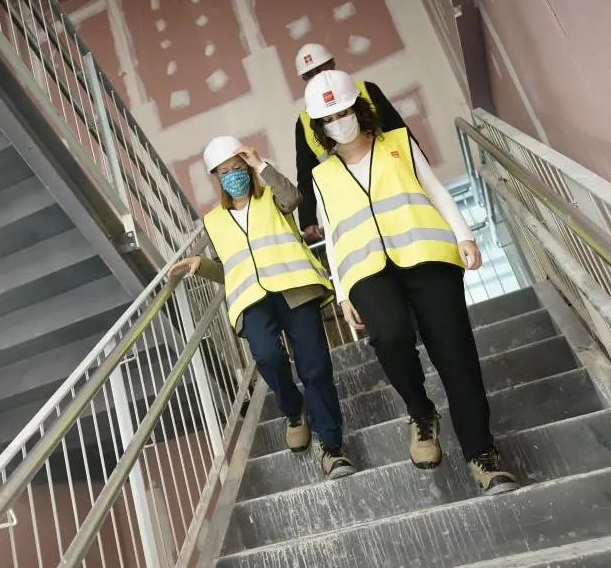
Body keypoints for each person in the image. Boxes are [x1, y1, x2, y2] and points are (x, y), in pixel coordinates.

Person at [303, 70, 520, 496]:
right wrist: (342, 291)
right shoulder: (321, 176)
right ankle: (422, 413)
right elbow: (331, 234)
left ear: (359, 109)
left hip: (427, 256)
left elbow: (436, 190)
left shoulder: (398, 142)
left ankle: (482, 454)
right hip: (366, 269)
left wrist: (463, 235)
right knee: (389, 336)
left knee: (455, 352)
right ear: (319, 127)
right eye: (329, 118)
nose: (339, 122)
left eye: (344, 111)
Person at [171, 136, 355, 479]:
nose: (232, 176)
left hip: (295, 288)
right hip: (251, 301)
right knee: (268, 358)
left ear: (248, 167)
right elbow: (230, 269)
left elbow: (295, 198)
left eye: (237, 168)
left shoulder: (272, 194)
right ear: (217, 178)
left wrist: (261, 166)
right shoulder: (213, 220)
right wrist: (203, 265)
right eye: (224, 172)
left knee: (314, 366)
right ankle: (294, 410)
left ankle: (332, 447)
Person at [292, 43, 406, 243]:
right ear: (303, 79)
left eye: (322, 69)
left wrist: (418, 165)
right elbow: (305, 173)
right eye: (311, 74)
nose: (319, 76)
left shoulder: (365, 91)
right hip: (349, 197)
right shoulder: (305, 120)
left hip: (388, 180)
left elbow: (399, 132)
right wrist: (308, 217)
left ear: (333, 63)